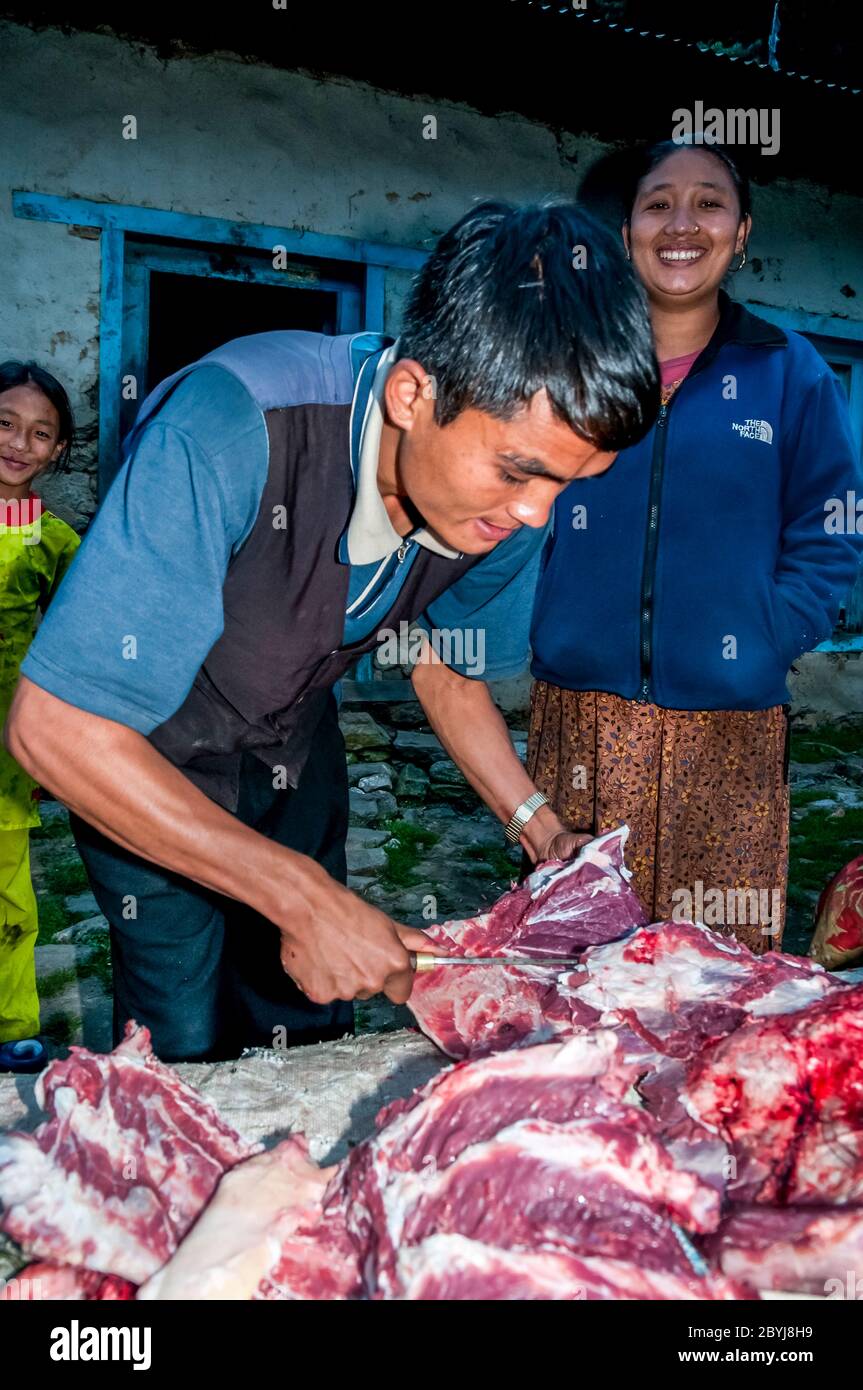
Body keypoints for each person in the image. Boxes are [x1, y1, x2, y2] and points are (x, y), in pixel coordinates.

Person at [5, 201, 659, 1061]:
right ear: (412, 393)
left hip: (292, 742)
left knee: (308, 1025)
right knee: (181, 1036)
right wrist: (295, 894)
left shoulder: (516, 503)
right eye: (517, 472)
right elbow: (57, 728)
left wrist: (538, 827)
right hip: (143, 754)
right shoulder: (231, 425)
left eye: (571, 483)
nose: (538, 513)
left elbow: (446, 666)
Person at [528, 140, 863, 953]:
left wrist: (766, 633)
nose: (682, 223)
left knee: (716, 970)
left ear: (741, 231)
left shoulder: (788, 370)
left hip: (728, 730)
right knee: (571, 969)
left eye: (709, 203)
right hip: (581, 718)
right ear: (626, 229)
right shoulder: (570, 361)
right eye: (656, 204)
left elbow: (837, 523)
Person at [0, 362, 80, 1073]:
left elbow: (82, 639)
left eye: (40, 433)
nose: (19, 443)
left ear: (57, 451)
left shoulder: (55, 542)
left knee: (7, 892)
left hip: (5, 742)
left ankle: (10, 1023)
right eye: (5, 423)